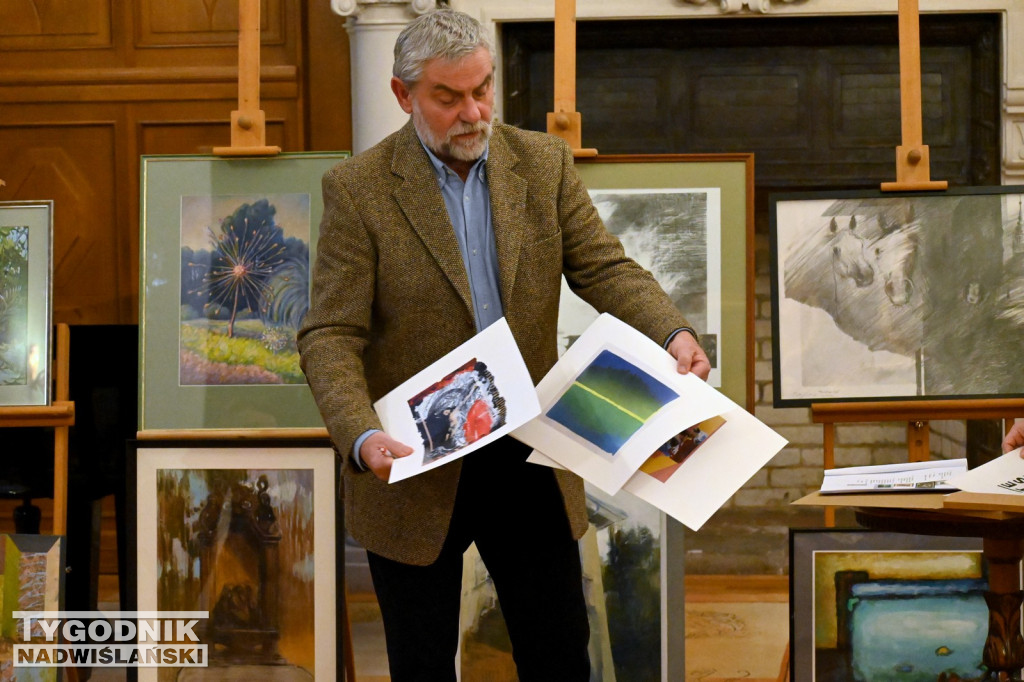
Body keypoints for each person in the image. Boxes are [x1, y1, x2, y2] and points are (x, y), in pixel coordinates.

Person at [297, 9, 710, 681]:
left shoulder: (541, 161)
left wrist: (673, 330)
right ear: (404, 96)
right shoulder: (360, 190)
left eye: (483, 89)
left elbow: (605, 267)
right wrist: (360, 433)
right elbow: (330, 333)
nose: (473, 112)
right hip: (415, 460)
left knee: (557, 653)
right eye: (448, 96)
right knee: (422, 663)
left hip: (531, 447)